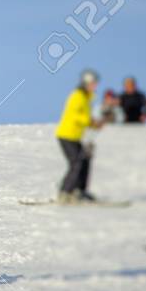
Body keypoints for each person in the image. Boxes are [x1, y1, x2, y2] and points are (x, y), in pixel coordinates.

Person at [55, 68, 104, 203]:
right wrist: (90, 121)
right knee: (76, 162)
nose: (95, 86)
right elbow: (75, 115)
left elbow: (85, 117)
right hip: (66, 135)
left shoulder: (86, 97)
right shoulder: (77, 96)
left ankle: (79, 191)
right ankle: (65, 192)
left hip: (76, 136)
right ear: (85, 83)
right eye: (93, 83)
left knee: (85, 160)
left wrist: (94, 123)